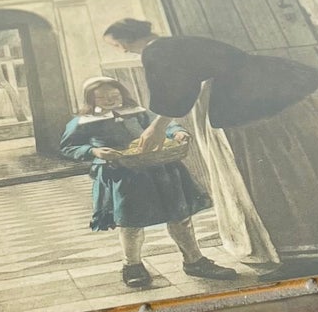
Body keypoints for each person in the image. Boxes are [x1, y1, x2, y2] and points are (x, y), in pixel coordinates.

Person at [101, 20, 318, 264]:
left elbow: (177, 91)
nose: (116, 48)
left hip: (241, 97)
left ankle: (307, 237)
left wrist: (157, 128)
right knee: (313, 156)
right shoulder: (173, 42)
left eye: (114, 43)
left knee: (278, 164)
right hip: (270, 80)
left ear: (125, 39)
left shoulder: (156, 51)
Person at [58, 76, 237, 292]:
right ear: (91, 99)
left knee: (180, 217)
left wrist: (178, 132)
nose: (109, 99)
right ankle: (132, 266)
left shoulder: (138, 112)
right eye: (102, 96)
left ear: (122, 93)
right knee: (131, 223)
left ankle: (194, 261)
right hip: (122, 175)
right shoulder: (81, 122)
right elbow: (68, 147)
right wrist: (94, 151)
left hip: (160, 170)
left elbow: (165, 126)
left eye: (114, 94)